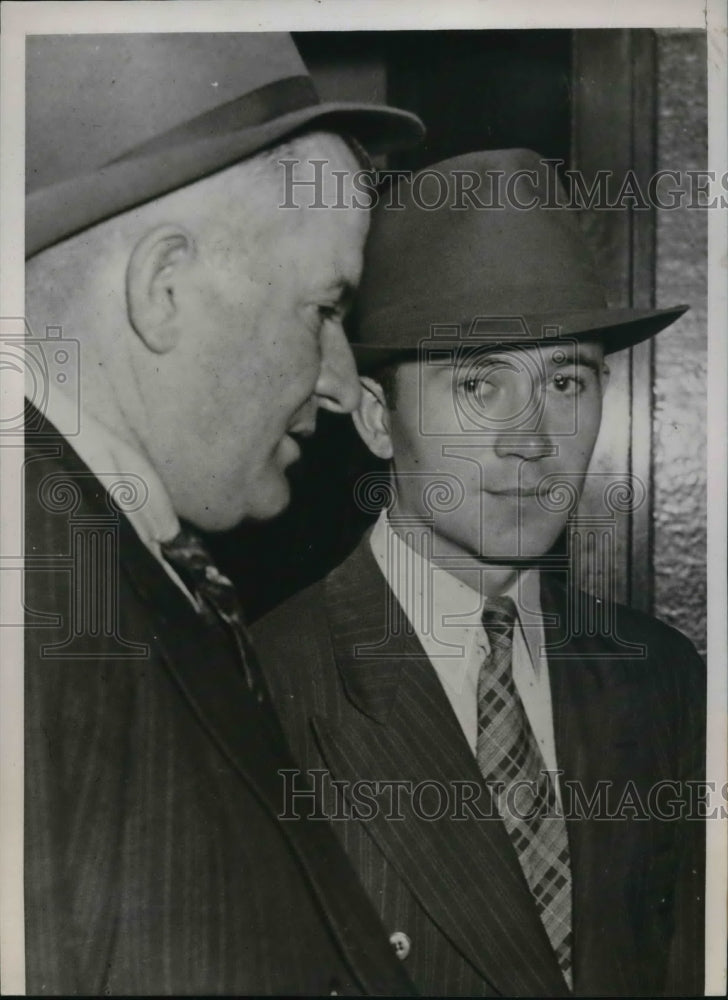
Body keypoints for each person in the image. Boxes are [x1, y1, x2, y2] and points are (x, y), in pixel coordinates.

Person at [23, 32, 425, 995]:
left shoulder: (104, 557)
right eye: (324, 311)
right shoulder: (35, 591)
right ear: (163, 288)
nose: (340, 384)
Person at [252, 149, 706, 997]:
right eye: (476, 384)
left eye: (566, 380)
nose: (530, 438)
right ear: (380, 421)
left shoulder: (663, 679)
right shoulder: (265, 690)